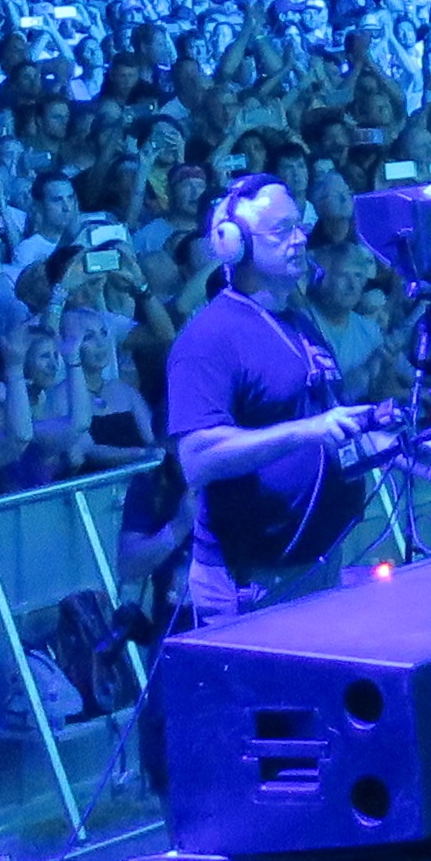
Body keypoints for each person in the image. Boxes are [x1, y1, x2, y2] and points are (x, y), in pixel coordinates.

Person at [163, 173, 375, 626]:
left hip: (318, 563)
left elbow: (327, 421)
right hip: (252, 582)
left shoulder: (299, 322)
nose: (299, 239)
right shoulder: (209, 337)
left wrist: (402, 446)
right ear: (233, 244)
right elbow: (196, 458)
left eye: (299, 226)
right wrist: (307, 431)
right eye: (281, 230)